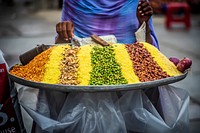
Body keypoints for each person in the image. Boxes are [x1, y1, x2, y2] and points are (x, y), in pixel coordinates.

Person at [55, 0, 159, 49]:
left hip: (129, 72)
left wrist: (144, 25)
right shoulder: (74, 2)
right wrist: (63, 32)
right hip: (82, 73)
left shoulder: (135, 2)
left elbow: (149, 51)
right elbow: (63, 49)